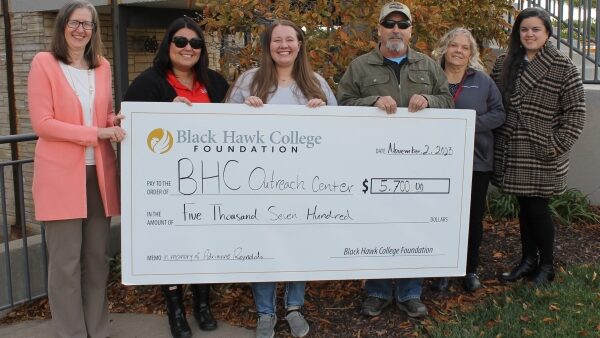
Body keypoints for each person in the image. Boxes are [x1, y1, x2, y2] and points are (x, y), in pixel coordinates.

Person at [337, 1, 452, 318]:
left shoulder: (428, 66)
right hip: (371, 165)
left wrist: (429, 98)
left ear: (411, 31)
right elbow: (342, 104)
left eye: (403, 24)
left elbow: (448, 101)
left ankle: (409, 291)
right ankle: (376, 291)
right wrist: (372, 100)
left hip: (418, 165)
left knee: (412, 225)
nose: (396, 30)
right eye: (390, 24)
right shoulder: (360, 67)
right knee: (375, 224)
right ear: (379, 29)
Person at [226, 19, 337, 338]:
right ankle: (265, 312)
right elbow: (223, 127)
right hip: (257, 184)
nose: (284, 45)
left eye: (291, 39)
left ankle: (294, 307)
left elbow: (340, 132)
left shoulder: (315, 83)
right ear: (268, 46)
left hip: (304, 185)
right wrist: (243, 112)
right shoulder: (248, 81)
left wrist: (323, 112)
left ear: (300, 45)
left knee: (298, 244)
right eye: (277, 40)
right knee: (264, 244)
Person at [123, 17, 229, 338]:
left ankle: (202, 304)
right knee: (171, 245)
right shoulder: (148, 83)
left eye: (195, 43)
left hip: (210, 179)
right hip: (167, 184)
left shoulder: (216, 83)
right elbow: (133, 130)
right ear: (168, 45)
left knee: (203, 243)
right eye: (180, 42)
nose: (188, 48)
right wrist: (166, 113)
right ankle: (176, 311)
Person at [27, 1, 125, 337]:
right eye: (75, 22)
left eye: (88, 24)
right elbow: (43, 124)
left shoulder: (102, 66)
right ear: (62, 25)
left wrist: (117, 121)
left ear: (94, 31)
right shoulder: (45, 63)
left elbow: (105, 115)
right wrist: (96, 133)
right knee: (66, 265)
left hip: (98, 175)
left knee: (96, 261)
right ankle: (71, 333)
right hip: (60, 178)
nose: (81, 29)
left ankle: (97, 331)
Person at [491, 7, 585, 286]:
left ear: (547, 33)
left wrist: (556, 146)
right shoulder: (504, 63)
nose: (529, 34)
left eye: (536, 29)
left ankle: (547, 265)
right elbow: (495, 102)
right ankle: (527, 260)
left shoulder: (562, 66)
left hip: (542, 151)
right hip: (512, 147)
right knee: (524, 206)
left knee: (538, 208)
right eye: (524, 29)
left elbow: (576, 112)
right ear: (517, 33)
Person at [429, 28, 505, 292]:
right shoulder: (430, 77)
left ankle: (469, 269)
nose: (458, 51)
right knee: (438, 217)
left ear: (471, 53)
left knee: (471, 218)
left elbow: (499, 114)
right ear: (444, 48)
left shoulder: (482, 81)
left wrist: (469, 124)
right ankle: (442, 269)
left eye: (464, 47)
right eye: (454, 45)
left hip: (475, 161)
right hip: (435, 161)